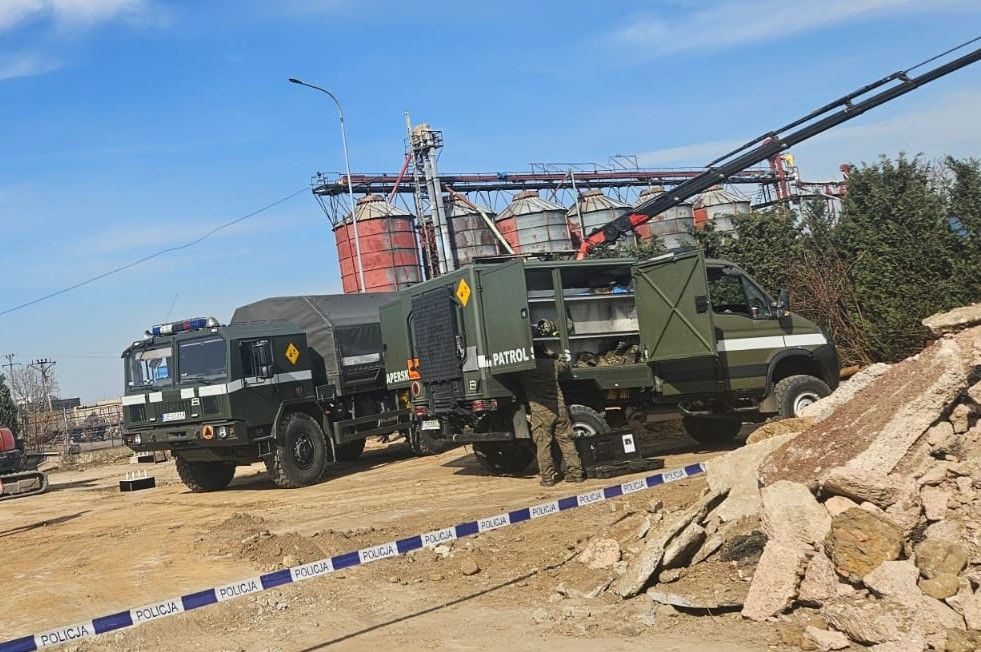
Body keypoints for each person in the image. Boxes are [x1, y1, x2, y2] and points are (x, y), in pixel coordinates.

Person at [517, 340, 584, 486]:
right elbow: (565, 364)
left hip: (540, 412)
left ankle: (548, 478)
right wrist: (553, 353)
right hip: (559, 409)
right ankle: (576, 473)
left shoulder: (526, 369)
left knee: (543, 445)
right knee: (567, 441)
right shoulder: (551, 365)